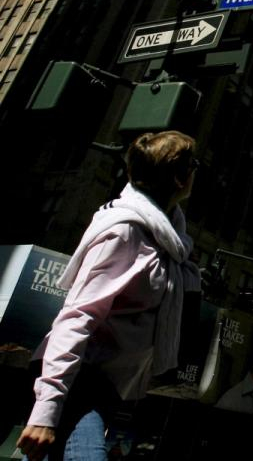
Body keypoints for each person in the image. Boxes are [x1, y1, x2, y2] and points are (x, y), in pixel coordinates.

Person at [17, 130, 202, 461]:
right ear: (178, 176)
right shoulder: (124, 231)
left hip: (111, 385)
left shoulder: (171, 239)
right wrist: (46, 410)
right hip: (78, 378)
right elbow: (76, 317)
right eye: (194, 165)